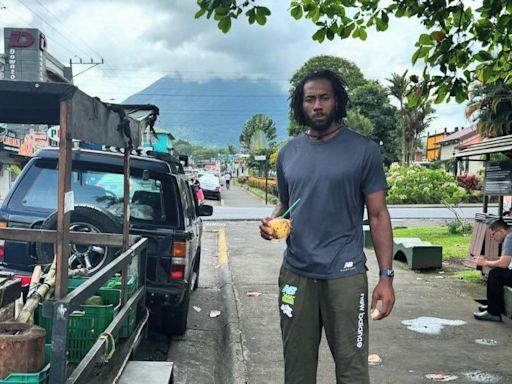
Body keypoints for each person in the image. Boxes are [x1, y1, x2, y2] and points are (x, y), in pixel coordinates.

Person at [259, 69, 395, 384]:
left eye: (324, 97)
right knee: (297, 369)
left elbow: (378, 215)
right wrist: (272, 223)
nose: (317, 105)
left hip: (345, 276)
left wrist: (386, 278)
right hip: (296, 273)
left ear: (337, 101)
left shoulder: (364, 150)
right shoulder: (288, 152)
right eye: (310, 99)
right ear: (300, 105)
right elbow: (285, 202)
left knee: (352, 371)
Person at [473, 219, 512, 322]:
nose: (493, 238)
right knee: (497, 272)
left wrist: (485, 263)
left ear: (501, 231)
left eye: (493, 234)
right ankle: (493, 306)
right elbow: (505, 259)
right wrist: (487, 258)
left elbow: (503, 263)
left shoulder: (509, 238)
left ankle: (493, 312)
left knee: (495, 274)